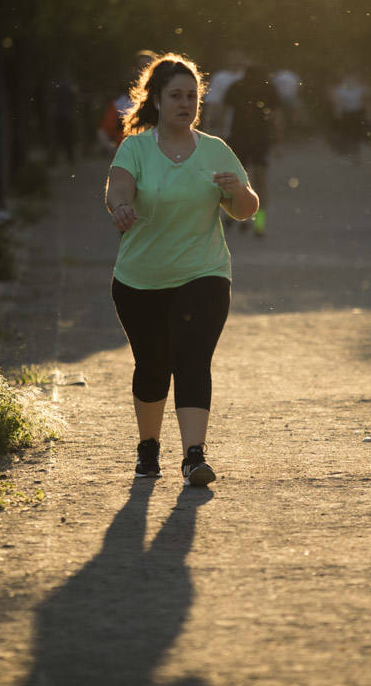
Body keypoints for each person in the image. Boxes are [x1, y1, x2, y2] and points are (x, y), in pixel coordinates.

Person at [105, 53, 260, 486]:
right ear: (156, 100)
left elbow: (246, 210)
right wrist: (120, 207)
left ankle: (194, 455)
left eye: (192, 95)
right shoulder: (135, 147)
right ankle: (148, 446)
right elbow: (118, 187)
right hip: (140, 279)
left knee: (192, 358)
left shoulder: (215, 150)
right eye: (175, 95)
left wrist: (240, 190)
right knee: (152, 364)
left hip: (204, 272)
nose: (185, 103)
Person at [223, 63, 282, 236]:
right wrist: (278, 141)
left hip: (238, 138)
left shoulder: (235, 87)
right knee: (260, 183)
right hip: (261, 140)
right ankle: (259, 224)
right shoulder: (269, 88)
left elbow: (225, 113)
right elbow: (278, 118)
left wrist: (220, 135)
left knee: (238, 180)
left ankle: (236, 216)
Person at [98, 49, 156, 154]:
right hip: (129, 160)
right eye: (141, 67)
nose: (144, 71)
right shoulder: (119, 104)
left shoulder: (167, 100)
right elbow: (103, 131)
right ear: (133, 70)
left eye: (149, 67)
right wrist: (115, 151)